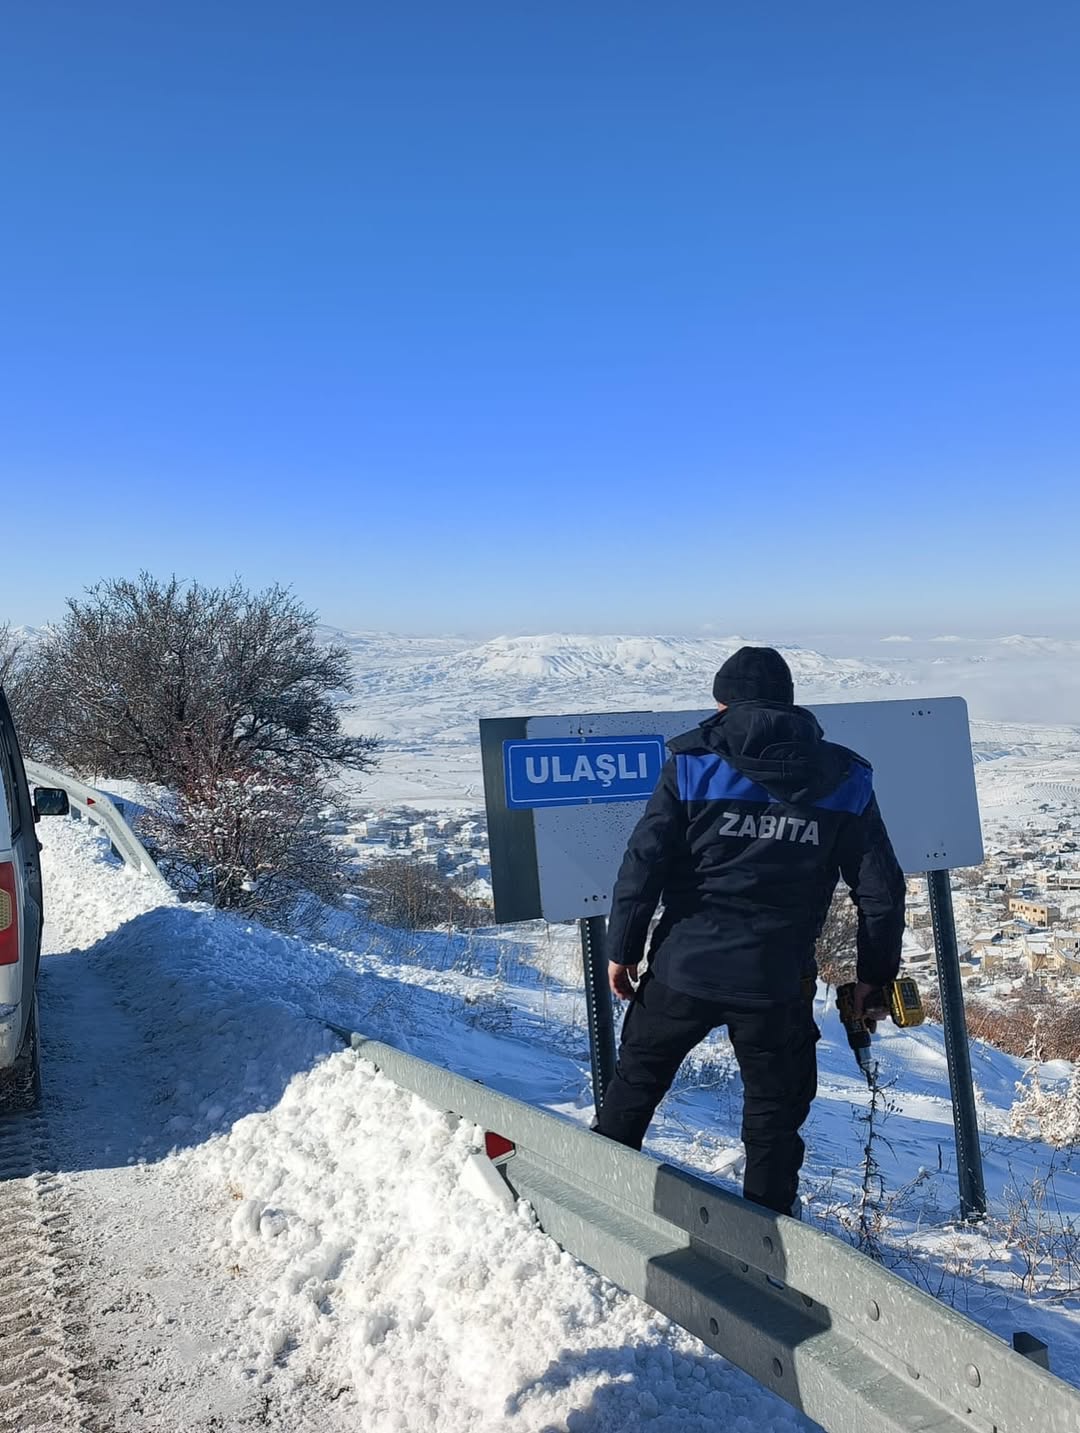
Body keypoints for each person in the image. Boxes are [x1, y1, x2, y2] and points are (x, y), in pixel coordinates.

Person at [594, 646, 906, 1216]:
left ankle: (595, 1211)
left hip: (683, 968)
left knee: (633, 1091)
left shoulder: (691, 765)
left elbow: (643, 864)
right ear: (790, 702)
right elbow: (880, 893)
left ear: (721, 703)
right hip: (777, 981)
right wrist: (874, 980)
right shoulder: (845, 778)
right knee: (774, 1126)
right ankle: (768, 1254)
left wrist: (623, 950)